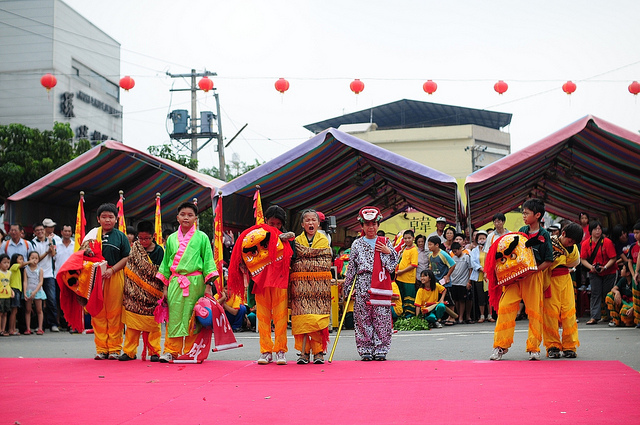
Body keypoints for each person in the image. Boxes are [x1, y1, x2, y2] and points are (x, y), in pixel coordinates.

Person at [490, 198, 553, 361]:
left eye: (526, 213)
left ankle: (534, 348)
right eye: (523, 213)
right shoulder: (521, 230)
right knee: (505, 307)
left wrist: (532, 271)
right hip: (516, 278)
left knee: (534, 312)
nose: (524, 216)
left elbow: (548, 260)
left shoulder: (544, 235)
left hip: (533, 278)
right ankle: (500, 346)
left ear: (537, 215)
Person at [156, 202, 218, 363]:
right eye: (183, 214)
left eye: (190, 215)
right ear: (177, 217)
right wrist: (165, 287)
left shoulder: (202, 237)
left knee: (194, 316)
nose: (186, 217)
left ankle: (191, 351)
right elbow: (165, 264)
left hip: (196, 282)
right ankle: (171, 351)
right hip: (176, 282)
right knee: (174, 316)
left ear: (195, 218)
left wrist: (208, 286)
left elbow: (208, 262)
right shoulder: (170, 240)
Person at [343, 207, 398, 361]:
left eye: (374, 224)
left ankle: (381, 348)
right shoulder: (356, 244)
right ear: (362, 226)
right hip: (362, 283)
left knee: (382, 317)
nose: (371, 227)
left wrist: (387, 251)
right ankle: (365, 348)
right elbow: (351, 268)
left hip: (380, 283)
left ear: (378, 225)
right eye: (367, 224)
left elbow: (392, 267)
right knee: (362, 318)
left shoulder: (385, 242)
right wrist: (347, 288)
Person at [85, 203, 131, 360]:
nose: (107, 220)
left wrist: (112, 270)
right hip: (96, 277)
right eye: (104, 217)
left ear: (116, 219)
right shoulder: (91, 236)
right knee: (98, 312)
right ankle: (101, 348)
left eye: (110, 217)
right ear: (98, 219)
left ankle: (115, 349)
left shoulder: (120, 236)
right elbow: (82, 255)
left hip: (115, 275)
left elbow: (126, 257)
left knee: (114, 313)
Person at [290, 209, 332, 364]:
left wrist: (305, 262)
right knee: (303, 319)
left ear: (318, 223)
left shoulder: (323, 240)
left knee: (317, 319)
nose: (310, 223)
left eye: (313, 220)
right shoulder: (296, 241)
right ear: (302, 224)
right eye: (307, 220)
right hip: (300, 288)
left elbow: (326, 262)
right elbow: (295, 264)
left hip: (319, 288)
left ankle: (319, 352)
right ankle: (304, 352)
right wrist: (313, 263)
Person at [119, 220, 164, 362]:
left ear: (154, 236)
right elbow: (130, 268)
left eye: (147, 238)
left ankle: (154, 351)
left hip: (153, 294)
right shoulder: (135, 249)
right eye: (141, 238)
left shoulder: (159, 251)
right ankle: (129, 352)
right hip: (134, 294)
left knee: (153, 325)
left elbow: (159, 272)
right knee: (132, 325)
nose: (143, 241)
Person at [256, 205, 292, 365]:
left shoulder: (287, 238)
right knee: (263, 317)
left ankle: (280, 350)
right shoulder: (255, 236)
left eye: (278, 224)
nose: (276, 227)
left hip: (279, 281)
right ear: (265, 221)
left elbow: (294, 256)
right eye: (272, 223)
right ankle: (265, 351)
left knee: (280, 317)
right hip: (261, 281)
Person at [543, 222, 583, 358]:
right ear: (563, 234)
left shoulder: (571, 248)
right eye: (570, 241)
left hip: (566, 280)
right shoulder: (549, 242)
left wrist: (568, 253)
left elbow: (575, 261)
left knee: (569, 313)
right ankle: (552, 346)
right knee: (550, 314)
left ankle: (569, 346)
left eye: (574, 243)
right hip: (551, 281)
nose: (571, 244)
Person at [580, 220, 617, 325]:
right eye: (595, 229)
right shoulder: (586, 243)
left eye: (599, 229)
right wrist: (591, 267)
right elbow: (582, 259)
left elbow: (613, 258)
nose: (598, 231)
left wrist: (604, 267)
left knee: (608, 293)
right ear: (590, 231)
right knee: (595, 294)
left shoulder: (607, 242)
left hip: (609, 271)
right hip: (594, 272)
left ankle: (611, 316)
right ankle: (594, 317)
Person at [31, 223, 59, 332]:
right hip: (36, 274)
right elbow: (36, 259)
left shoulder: (51, 241)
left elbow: (53, 254)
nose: (40, 232)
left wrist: (51, 244)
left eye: (41, 229)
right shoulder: (33, 243)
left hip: (49, 274)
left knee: (51, 299)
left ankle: (53, 324)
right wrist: (46, 252)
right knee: (37, 300)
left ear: (45, 230)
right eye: (37, 230)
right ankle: (39, 325)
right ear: (34, 232)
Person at [426, 236, 456, 325]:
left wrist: (447, 276)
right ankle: (441, 318)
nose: (429, 247)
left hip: (444, 282)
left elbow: (453, 264)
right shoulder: (430, 255)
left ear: (437, 245)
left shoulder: (443, 254)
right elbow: (431, 266)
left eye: (431, 245)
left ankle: (452, 317)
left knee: (449, 300)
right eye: (428, 245)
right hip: (435, 282)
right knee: (438, 300)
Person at [54, 224, 75, 331]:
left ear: (71, 233)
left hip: (71, 278)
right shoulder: (56, 245)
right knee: (58, 300)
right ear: (61, 232)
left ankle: (70, 323)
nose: (67, 233)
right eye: (65, 231)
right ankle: (57, 323)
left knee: (70, 301)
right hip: (58, 276)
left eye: (69, 231)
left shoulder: (75, 245)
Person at [470, 230, 492, 323]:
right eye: (480, 238)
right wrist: (481, 269)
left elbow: (491, 260)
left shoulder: (490, 249)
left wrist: (487, 269)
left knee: (489, 296)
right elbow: (473, 262)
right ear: (477, 239)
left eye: (484, 238)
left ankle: (490, 315)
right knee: (481, 296)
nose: (482, 240)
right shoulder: (474, 251)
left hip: (489, 276)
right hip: (479, 275)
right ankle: (482, 315)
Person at [395, 229, 418, 318]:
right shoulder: (404, 248)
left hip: (408, 279)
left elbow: (413, 265)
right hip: (400, 277)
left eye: (409, 238)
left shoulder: (414, 250)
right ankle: (402, 314)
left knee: (409, 297)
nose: (407, 240)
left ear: (413, 238)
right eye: (405, 238)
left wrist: (401, 271)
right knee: (402, 296)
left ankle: (409, 316)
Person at [449, 242, 474, 324]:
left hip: (463, 282)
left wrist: (469, 281)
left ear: (460, 249)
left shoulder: (467, 257)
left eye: (456, 251)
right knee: (455, 300)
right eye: (453, 252)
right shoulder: (453, 258)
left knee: (462, 300)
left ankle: (461, 317)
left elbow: (470, 269)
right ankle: (457, 315)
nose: (455, 253)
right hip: (454, 282)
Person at [23, 251, 45, 335]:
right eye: (32, 258)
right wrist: (25, 292)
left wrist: (35, 291)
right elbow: (25, 281)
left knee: (39, 309)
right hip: (28, 290)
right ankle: (28, 328)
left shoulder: (40, 269)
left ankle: (40, 328)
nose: (34, 260)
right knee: (28, 309)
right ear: (29, 259)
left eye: (36, 258)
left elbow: (41, 282)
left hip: (38, 291)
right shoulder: (26, 269)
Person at [7, 253, 30, 335]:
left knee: (15, 310)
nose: (22, 261)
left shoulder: (18, 269)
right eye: (20, 259)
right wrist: (30, 261)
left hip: (17, 290)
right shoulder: (13, 267)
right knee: (13, 311)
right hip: (14, 289)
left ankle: (13, 328)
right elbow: (22, 264)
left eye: (22, 259)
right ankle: (11, 329)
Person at [0, 254, 14, 336]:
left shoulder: (9, 273)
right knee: (0, 313)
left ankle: (3, 329)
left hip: (7, 295)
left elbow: (9, 284)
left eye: (8, 263)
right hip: (0, 296)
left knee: (5, 313)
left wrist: (12, 291)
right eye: (4, 262)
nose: (7, 264)